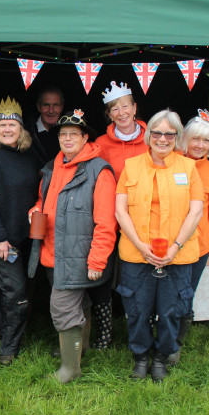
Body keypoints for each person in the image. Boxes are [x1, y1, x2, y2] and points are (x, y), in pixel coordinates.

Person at [28, 109, 117, 383]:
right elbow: (46, 201)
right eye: (63, 134)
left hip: (79, 255)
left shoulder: (99, 171)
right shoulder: (53, 167)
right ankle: (80, 350)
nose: (67, 138)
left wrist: (97, 261)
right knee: (81, 303)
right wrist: (36, 209)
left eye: (73, 134)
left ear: (85, 137)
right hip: (53, 251)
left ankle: (70, 369)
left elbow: (106, 223)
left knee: (62, 307)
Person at [115, 109, 203, 382]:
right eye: (157, 133)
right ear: (148, 135)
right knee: (138, 311)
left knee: (170, 311)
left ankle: (162, 357)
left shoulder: (188, 168)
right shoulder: (131, 166)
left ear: (177, 137)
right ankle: (141, 356)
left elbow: (196, 211)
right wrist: (141, 246)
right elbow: (120, 211)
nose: (162, 139)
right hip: (137, 254)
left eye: (169, 134)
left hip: (177, 255)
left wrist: (176, 246)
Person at [0, 98, 39, 366]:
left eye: (12, 124)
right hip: (0, 238)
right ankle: (8, 348)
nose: (7, 129)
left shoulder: (29, 154)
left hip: (23, 235)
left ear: (21, 128)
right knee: (16, 290)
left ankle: (2, 329)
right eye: (2, 125)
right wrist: (0, 238)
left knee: (13, 289)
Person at [88, 81, 149, 351]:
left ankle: (140, 329)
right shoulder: (100, 144)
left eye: (126, 105)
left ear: (135, 108)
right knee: (103, 275)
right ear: (109, 114)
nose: (121, 112)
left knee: (140, 275)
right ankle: (104, 331)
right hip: (109, 219)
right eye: (115, 108)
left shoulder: (153, 138)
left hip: (145, 219)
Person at [170, 109, 209, 363]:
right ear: (185, 139)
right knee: (163, 292)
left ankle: (175, 343)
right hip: (166, 242)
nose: (200, 145)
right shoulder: (170, 162)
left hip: (198, 246)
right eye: (195, 139)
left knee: (185, 294)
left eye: (206, 141)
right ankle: (157, 335)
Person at [28, 86, 64, 166]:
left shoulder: (69, 132)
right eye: (46, 105)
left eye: (56, 105)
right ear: (39, 106)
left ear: (61, 107)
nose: (51, 110)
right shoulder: (26, 132)